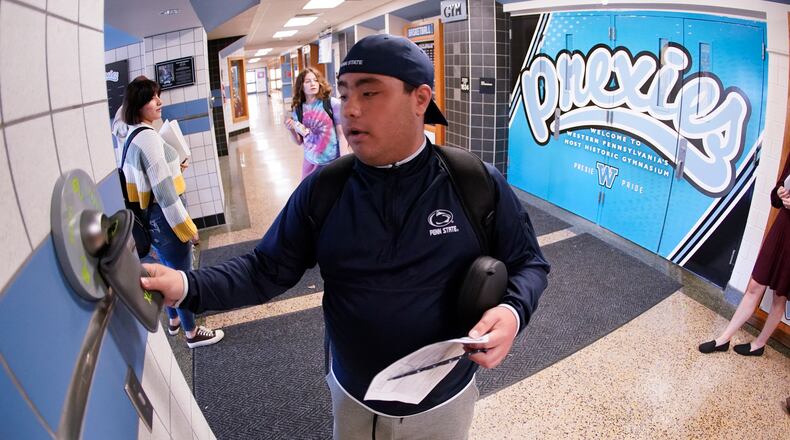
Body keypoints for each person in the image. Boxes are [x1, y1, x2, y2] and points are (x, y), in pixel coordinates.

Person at [141, 35, 549, 439]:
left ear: (420, 99)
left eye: (369, 93)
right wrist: (186, 285)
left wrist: (513, 312)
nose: (350, 109)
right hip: (354, 397)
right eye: (344, 93)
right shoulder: (325, 190)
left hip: (443, 400)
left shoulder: (471, 182)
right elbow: (265, 268)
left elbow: (528, 262)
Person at [121, 76, 224, 349]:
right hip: (166, 219)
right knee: (182, 277)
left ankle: (174, 319)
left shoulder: (132, 135)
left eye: (158, 95)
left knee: (166, 269)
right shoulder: (149, 139)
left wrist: (175, 167)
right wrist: (188, 229)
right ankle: (192, 333)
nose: (159, 101)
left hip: (152, 220)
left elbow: (148, 180)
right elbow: (165, 194)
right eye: (152, 98)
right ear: (138, 105)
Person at [699, 155, 790, 356]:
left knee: (780, 296)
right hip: (781, 228)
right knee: (755, 285)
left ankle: (759, 344)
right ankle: (724, 339)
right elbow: (776, 196)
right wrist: (780, 192)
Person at [285, 67, 349, 179]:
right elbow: (299, 141)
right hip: (310, 163)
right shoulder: (298, 110)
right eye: (308, 81)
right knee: (309, 190)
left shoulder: (331, 103)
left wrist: (344, 161)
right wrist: (291, 129)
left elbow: (341, 134)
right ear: (301, 86)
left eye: (315, 80)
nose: (313, 84)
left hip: (332, 161)